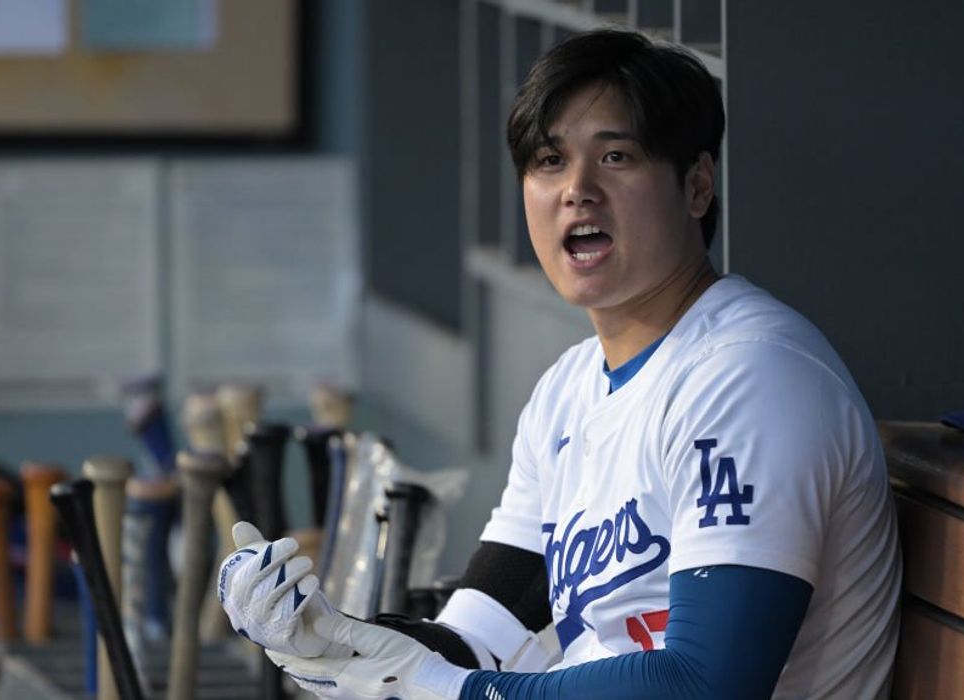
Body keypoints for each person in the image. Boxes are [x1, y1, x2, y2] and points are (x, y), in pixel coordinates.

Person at [217, 28, 901, 700]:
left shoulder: (750, 376)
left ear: (696, 187)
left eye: (616, 157)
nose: (577, 189)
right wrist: (331, 640)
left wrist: (452, 691)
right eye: (549, 160)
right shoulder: (568, 391)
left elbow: (707, 683)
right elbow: (479, 640)